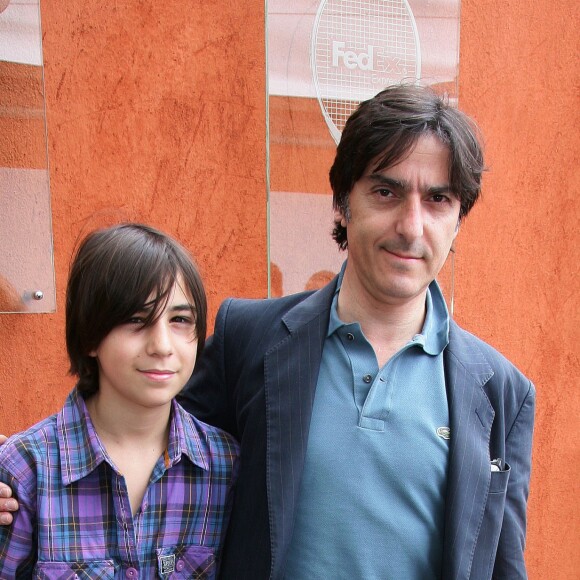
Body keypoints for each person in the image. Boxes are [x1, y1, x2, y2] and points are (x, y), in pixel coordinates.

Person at [1, 85, 535, 579]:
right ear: (344, 203)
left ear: (459, 217)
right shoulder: (249, 338)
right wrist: (15, 473)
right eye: (386, 192)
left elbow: (502, 564)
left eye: (437, 199)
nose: (411, 225)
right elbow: (143, 427)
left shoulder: (500, 391)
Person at [0, 224, 239, 578]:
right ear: (90, 337)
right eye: (136, 320)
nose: (162, 345)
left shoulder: (226, 466)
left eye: (180, 320)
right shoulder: (26, 469)